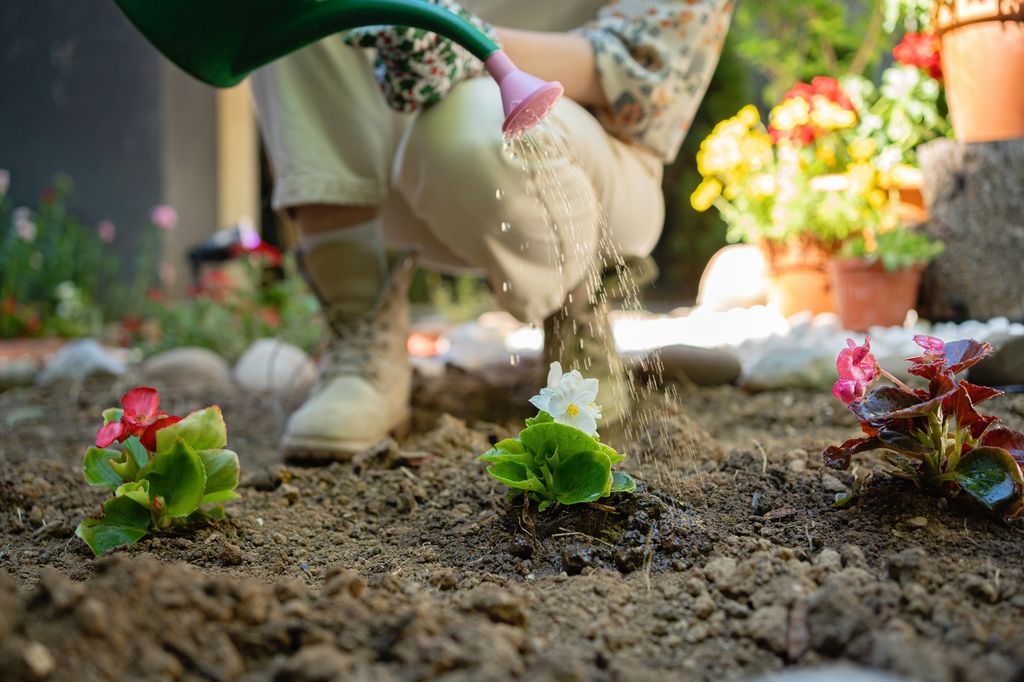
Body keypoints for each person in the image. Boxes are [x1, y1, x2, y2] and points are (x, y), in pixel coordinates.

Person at [251, 0, 736, 464]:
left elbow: (648, 70)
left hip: (576, 152)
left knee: (472, 129)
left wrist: (466, 41)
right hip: (386, 166)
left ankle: (579, 318)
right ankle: (360, 326)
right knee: (301, 10)